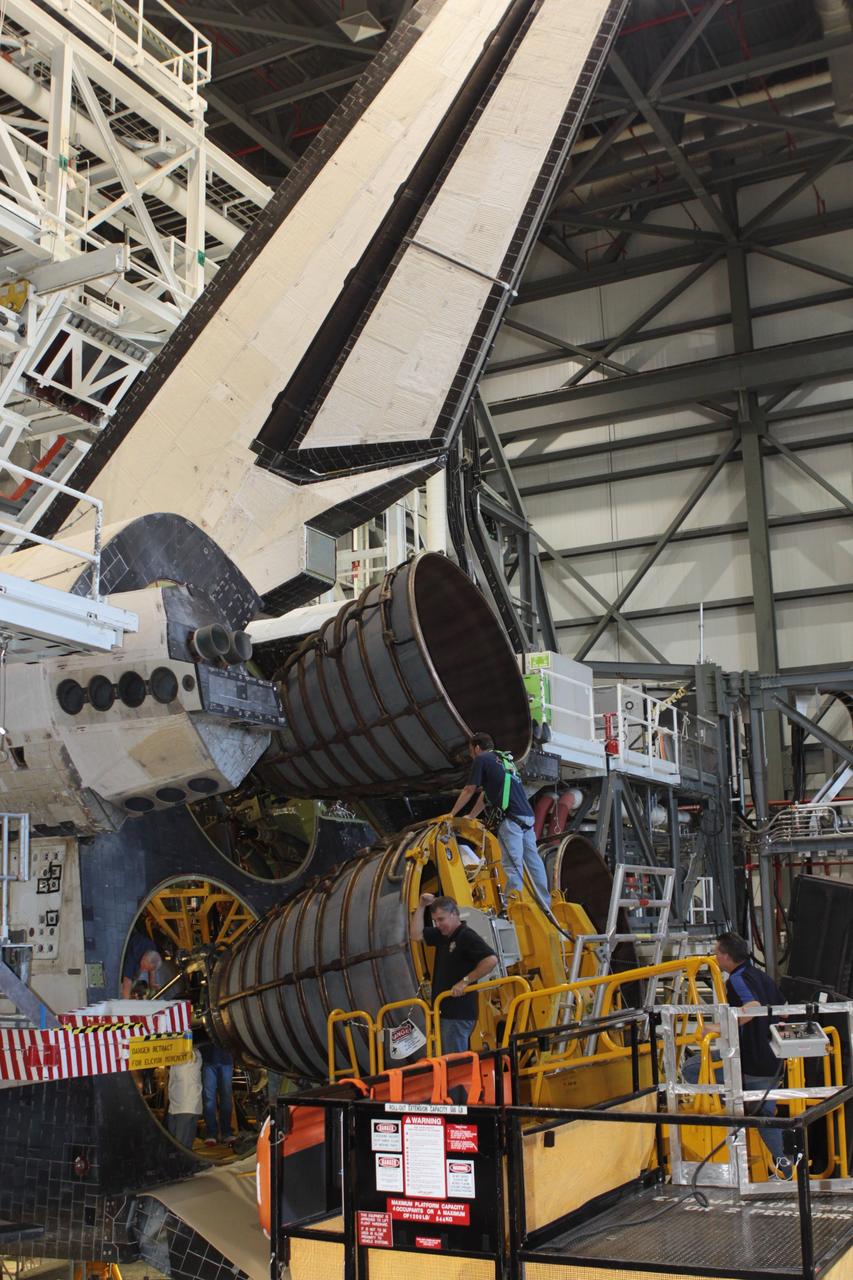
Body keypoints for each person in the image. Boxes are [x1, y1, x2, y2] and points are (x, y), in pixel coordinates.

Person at [683, 931, 788, 1174]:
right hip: (772, 1062)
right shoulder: (762, 977)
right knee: (766, 1118)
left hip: (749, 1063)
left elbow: (751, 1009)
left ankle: (732, 1109)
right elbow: (784, 1012)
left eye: (716, 952)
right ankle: (791, 1167)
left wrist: (716, 1027)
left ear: (727, 957)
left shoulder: (737, 979)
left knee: (691, 1068)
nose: (714, 957)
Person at [450, 732, 550, 906]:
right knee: (533, 861)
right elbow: (486, 795)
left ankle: (512, 906)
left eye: (471, 751)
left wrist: (451, 815)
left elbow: (469, 789)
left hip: (511, 820)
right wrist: (472, 815)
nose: (472, 755)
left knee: (513, 864)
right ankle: (545, 903)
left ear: (477, 748)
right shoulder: (503, 760)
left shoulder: (481, 759)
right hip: (526, 817)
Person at [411, 893, 498, 1054]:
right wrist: (422, 905)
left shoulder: (466, 936)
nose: (438, 924)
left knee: (454, 1065)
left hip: (457, 1014)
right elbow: (416, 935)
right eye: (435, 921)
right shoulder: (442, 936)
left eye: (441, 919)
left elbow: (490, 960)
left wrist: (465, 981)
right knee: (446, 1062)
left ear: (454, 914)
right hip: (444, 1013)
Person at [166, 1048, 202, 1149]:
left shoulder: (191, 1055)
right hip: (178, 1106)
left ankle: (184, 1163)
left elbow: (181, 1074)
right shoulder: (183, 1054)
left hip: (185, 1107)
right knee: (177, 1146)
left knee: (180, 1147)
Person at [200, 1042, 234, 1146]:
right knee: (209, 1099)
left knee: (225, 1098)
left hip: (225, 1058)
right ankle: (212, 1133)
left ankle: (225, 1132)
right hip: (208, 1059)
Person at [121, 933, 162, 998]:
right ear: (144, 957)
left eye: (147, 969)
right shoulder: (133, 955)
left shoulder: (152, 949)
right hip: (124, 943)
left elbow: (152, 968)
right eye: (144, 967)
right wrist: (126, 1003)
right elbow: (127, 980)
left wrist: (152, 982)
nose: (144, 970)